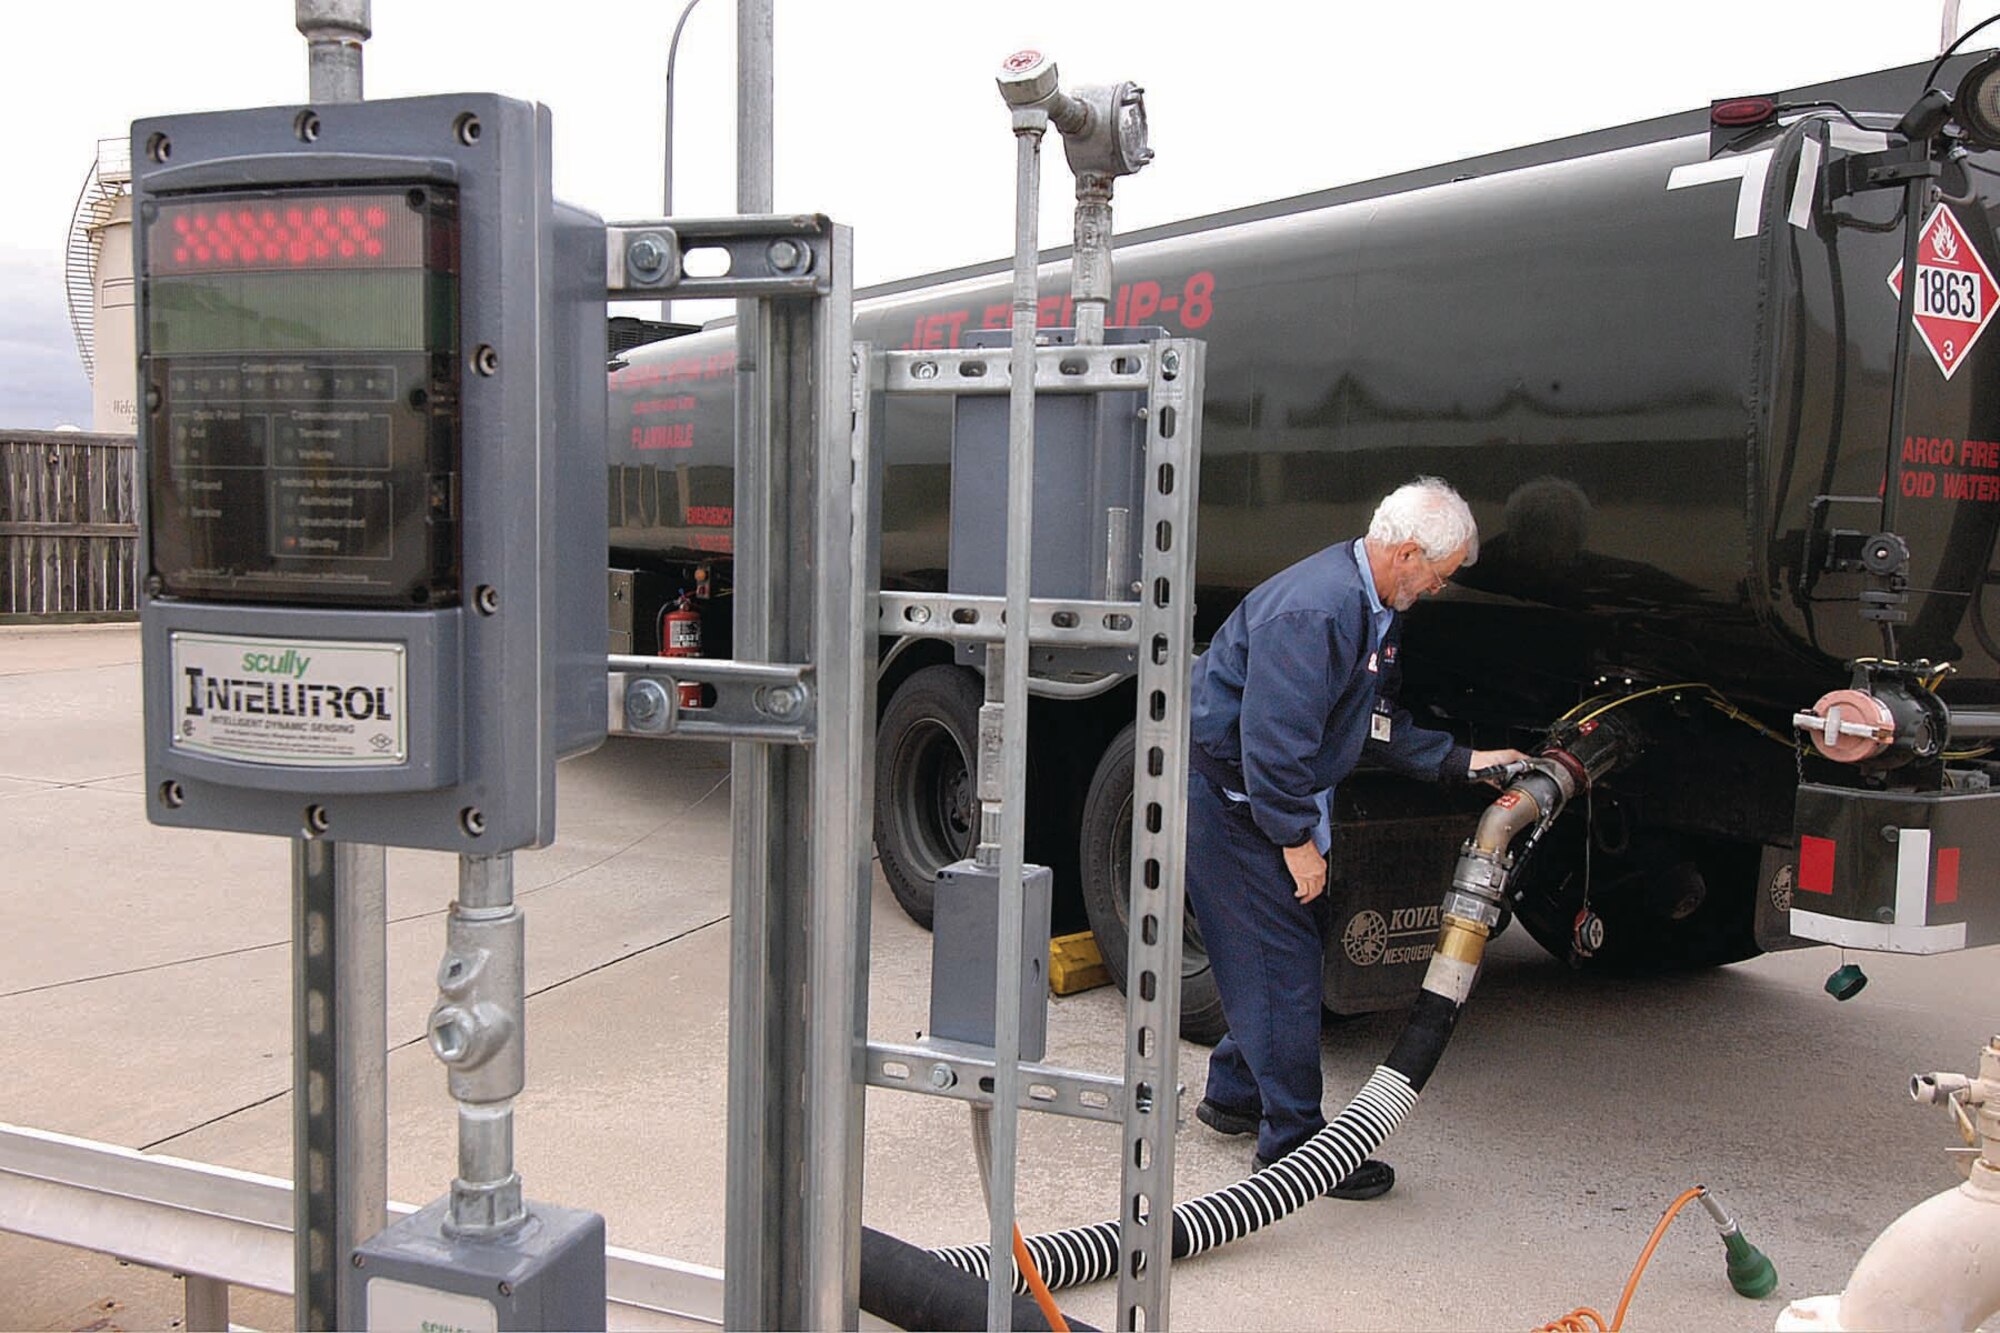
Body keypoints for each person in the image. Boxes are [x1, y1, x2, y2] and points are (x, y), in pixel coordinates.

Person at [1184, 476, 1527, 1200]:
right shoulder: (1320, 610)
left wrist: (1463, 760)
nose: (1438, 587)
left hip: (1270, 794)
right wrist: (1294, 841)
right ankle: (1294, 1150)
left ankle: (1236, 1093)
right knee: (1286, 965)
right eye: (1439, 571)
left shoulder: (1371, 604)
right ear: (1406, 553)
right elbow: (1272, 742)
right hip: (1236, 801)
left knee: (1274, 953)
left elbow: (1365, 719)